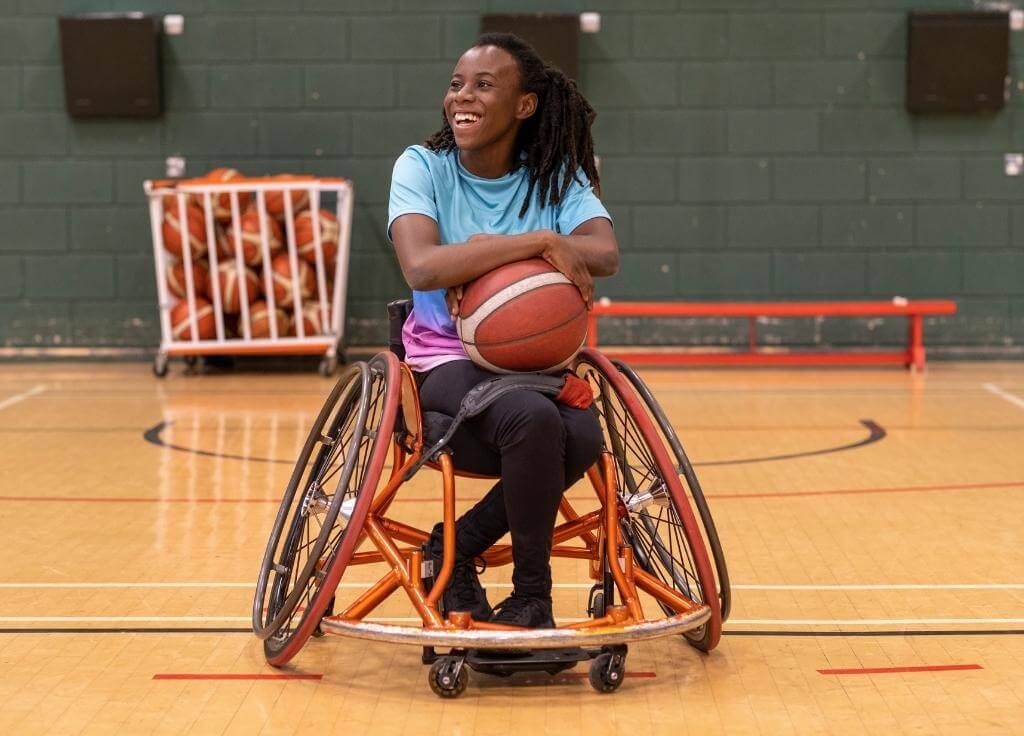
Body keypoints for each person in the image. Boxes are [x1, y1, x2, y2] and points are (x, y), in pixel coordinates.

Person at [387, 32, 619, 629]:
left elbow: (605, 251)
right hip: (444, 364)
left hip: (535, 367)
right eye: (457, 83)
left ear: (525, 105)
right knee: (535, 420)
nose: (462, 97)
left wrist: (522, 245)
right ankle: (533, 598)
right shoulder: (422, 167)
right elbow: (421, 265)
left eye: (484, 85)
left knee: (585, 434)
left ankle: (458, 546)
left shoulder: (556, 177)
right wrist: (535, 243)